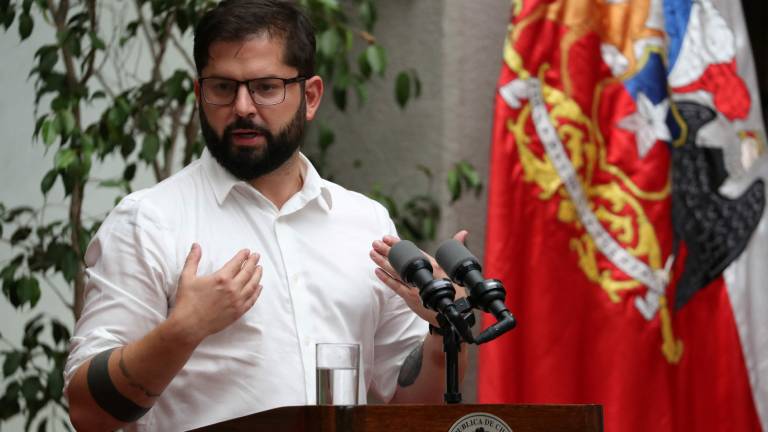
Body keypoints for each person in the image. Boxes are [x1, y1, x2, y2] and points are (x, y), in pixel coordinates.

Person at [64, 1, 468, 431]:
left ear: (309, 97)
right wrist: (184, 329)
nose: (242, 107)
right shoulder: (148, 222)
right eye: (223, 87)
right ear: (199, 93)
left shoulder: (365, 223)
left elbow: (413, 410)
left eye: (266, 87)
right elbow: (88, 412)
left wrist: (446, 333)